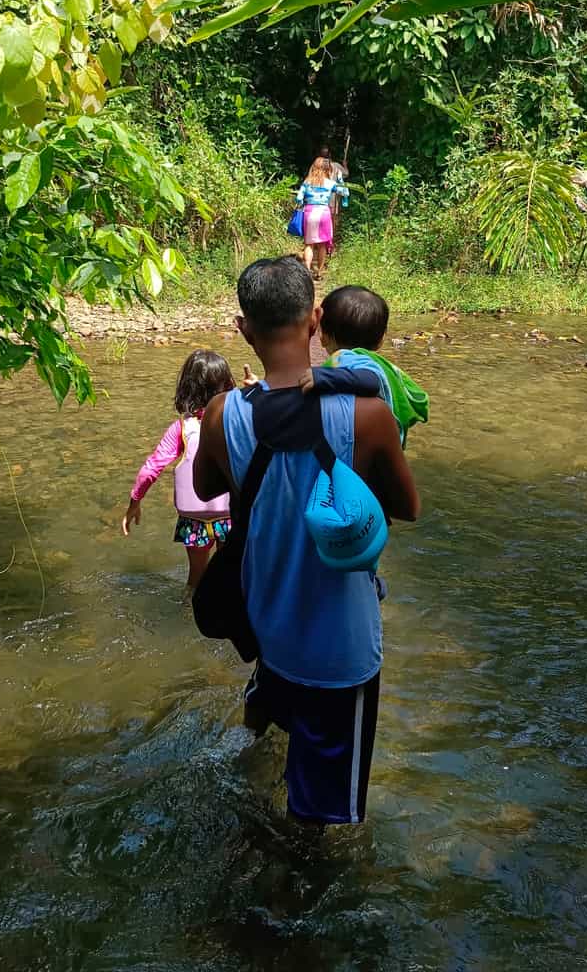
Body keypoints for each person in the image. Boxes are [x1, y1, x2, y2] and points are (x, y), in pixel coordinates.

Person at [192, 256, 420, 826]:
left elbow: (203, 486)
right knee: (319, 824)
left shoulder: (223, 413)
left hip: (270, 634)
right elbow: (407, 508)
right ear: (315, 320)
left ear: (243, 329)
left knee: (272, 729)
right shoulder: (368, 416)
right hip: (339, 652)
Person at [122, 349, 235, 594]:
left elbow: (152, 468)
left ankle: (189, 612)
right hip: (229, 518)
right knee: (231, 575)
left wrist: (135, 501)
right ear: (228, 384)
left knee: (196, 579)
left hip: (194, 521)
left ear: (187, 388)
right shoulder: (236, 421)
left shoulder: (181, 429)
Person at [299, 285, 429, 446]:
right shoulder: (383, 366)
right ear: (381, 340)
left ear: (323, 336)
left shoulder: (348, 357)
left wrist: (324, 376)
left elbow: (371, 379)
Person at [295, 156, 347, 280]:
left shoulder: (307, 182)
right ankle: (319, 272)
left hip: (309, 212)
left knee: (309, 244)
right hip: (324, 212)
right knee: (322, 245)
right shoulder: (330, 183)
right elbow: (344, 192)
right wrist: (340, 180)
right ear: (327, 169)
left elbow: (298, 198)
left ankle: (307, 271)